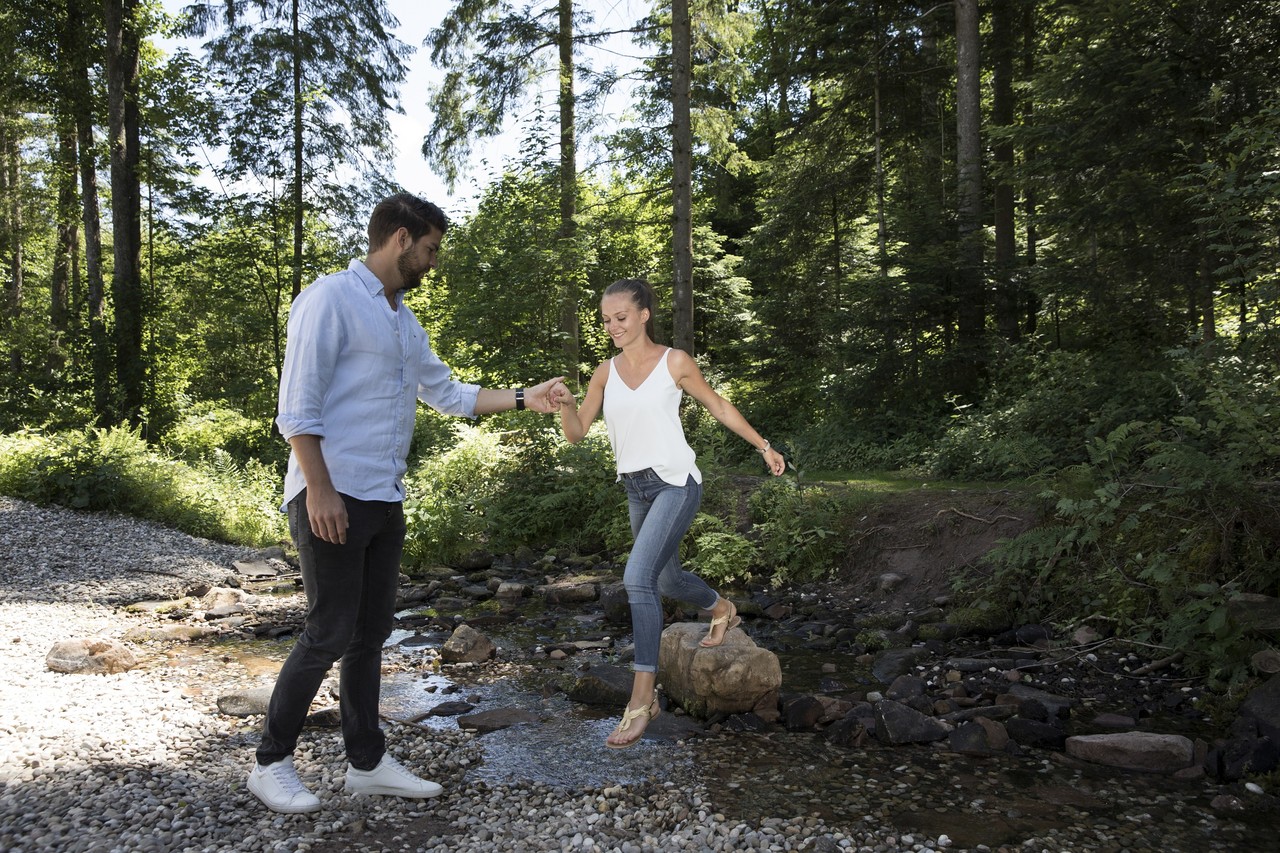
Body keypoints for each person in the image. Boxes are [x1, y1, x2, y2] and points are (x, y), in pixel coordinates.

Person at [248, 193, 563, 814]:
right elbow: (297, 406)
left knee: (371, 636)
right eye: (430, 248)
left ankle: (366, 764)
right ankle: (270, 762)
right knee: (328, 631)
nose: (433, 261)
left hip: (384, 497)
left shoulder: (403, 321)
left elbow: (448, 394)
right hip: (332, 493)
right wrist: (319, 488)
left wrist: (527, 398)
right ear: (399, 238)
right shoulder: (330, 299)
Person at [551, 278, 786, 749]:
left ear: (644, 315)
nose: (613, 326)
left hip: (677, 483)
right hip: (636, 488)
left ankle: (643, 699)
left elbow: (717, 405)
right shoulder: (604, 372)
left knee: (637, 578)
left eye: (621, 317)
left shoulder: (674, 361)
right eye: (606, 319)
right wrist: (567, 405)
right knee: (666, 580)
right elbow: (576, 433)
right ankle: (721, 608)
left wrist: (763, 446)